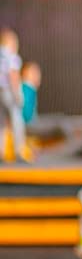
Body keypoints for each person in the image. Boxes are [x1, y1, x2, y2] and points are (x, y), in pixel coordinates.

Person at [0, 27, 28, 162]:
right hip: (8, 92)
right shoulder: (12, 56)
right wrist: (18, 94)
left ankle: (1, 152)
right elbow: (13, 75)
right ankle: (19, 151)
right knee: (17, 120)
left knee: (2, 125)